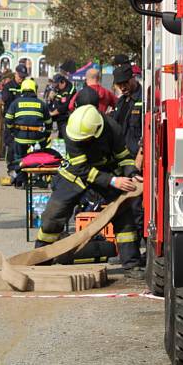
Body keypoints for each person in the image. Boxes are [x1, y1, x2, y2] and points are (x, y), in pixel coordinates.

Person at [35, 105, 142, 275]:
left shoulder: (113, 128)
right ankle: (39, 261)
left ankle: (132, 265)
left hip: (107, 172)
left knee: (123, 217)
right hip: (76, 176)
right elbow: (81, 169)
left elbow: (123, 157)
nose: (81, 141)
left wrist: (132, 172)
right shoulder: (72, 131)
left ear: (97, 131)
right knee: (52, 216)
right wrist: (113, 181)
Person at [112, 64, 145, 255]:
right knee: (126, 207)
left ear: (133, 79)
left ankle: (141, 251)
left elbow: (144, 137)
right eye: (119, 84)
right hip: (124, 162)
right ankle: (131, 252)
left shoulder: (142, 100)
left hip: (136, 163)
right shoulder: (122, 101)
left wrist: (137, 164)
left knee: (137, 209)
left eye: (125, 83)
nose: (123, 87)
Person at [5, 78, 52, 184]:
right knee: (38, 156)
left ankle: (22, 181)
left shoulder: (16, 103)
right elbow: (49, 122)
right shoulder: (41, 104)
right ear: (34, 90)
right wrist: (46, 134)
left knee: (19, 157)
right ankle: (39, 179)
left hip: (21, 136)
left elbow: (8, 119)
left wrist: (12, 131)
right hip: (37, 138)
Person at [0, 65, 27, 167]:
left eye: (23, 77)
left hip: (22, 119)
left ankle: (21, 160)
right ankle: (10, 162)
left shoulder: (26, 86)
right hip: (11, 118)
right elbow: (5, 100)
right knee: (10, 141)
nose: (21, 79)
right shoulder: (9, 86)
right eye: (20, 76)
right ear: (15, 74)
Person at [49, 75, 76, 140]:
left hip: (66, 118)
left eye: (57, 85)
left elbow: (64, 107)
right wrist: (51, 98)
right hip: (58, 117)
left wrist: (52, 113)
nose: (56, 87)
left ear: (63, 82)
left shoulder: (69, 89)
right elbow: (56, 101)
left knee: (64, 137)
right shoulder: (59, 88)